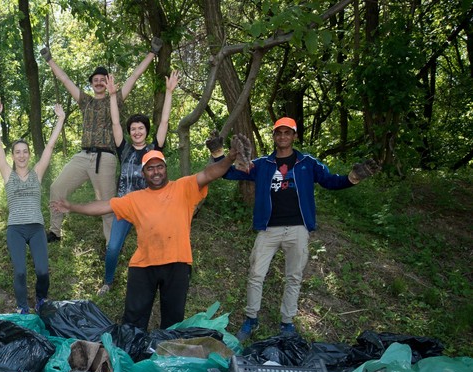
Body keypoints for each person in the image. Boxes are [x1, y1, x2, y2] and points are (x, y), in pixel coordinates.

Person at [207, 117, 380, 340]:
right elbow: (229, 173)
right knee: (256, 274)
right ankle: (251, 320)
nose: (283, 136)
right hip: (268, 228)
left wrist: (353, 177)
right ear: (274, 136)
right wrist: (218, 153)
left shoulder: (308, 163)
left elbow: (331, 181)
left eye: (287, 133)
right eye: (278, 133)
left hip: (298, 228)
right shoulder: (262, 165)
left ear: (294, 136)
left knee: (294, 277)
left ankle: (287, 323)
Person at [51, 138, 250, 331]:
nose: (156, 172)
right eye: (150, 168)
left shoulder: (183, 186)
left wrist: (230, 157)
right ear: (144, 173)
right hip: (143, 266)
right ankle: (133, 359)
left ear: (165, 168)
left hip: (177, 263)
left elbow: (210, 173)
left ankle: (165, 359)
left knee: (172, 323)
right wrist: (72, 206)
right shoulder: (134, 198)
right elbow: (103, 206)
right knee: (132, 323)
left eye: (159, 167)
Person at [40, 37, 162, 243]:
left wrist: (152, 52)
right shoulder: (85, 101)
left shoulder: (115, 98)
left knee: (107, 205)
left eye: (102, 79)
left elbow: (134, 76)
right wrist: (49, 60)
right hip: (82, 155)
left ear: (107, 83)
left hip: (105, 158)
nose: (98, 82)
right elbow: (65, 80)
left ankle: (111, 244)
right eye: (95, 79)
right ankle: (55, 231)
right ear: (91, 83)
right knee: (56, 188)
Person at [98, 70, 178, 296]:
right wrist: (113, 95)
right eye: (133, 128)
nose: (136, 131)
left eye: (140, 128)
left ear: (146, 131)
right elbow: (115, 122)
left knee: (155, 244)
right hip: (125, 207)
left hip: (150, 207)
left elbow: (164, 120)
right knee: (113, 247)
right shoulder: (123, 150)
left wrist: (169, 92)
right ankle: (108, 281)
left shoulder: (154, 150)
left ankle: (158, 279)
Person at [0, 98, 66, 314]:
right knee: (21, 272)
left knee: (42, 271)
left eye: (25, 151)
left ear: (29, 155)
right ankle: (22, 307)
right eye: (17, 152)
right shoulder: (7, 174)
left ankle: (41, 300)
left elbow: (50, 145)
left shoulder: (37, 173)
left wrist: (60, 119)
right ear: (13, 156)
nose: (21, 155)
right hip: (15, 228)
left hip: (36, 228)